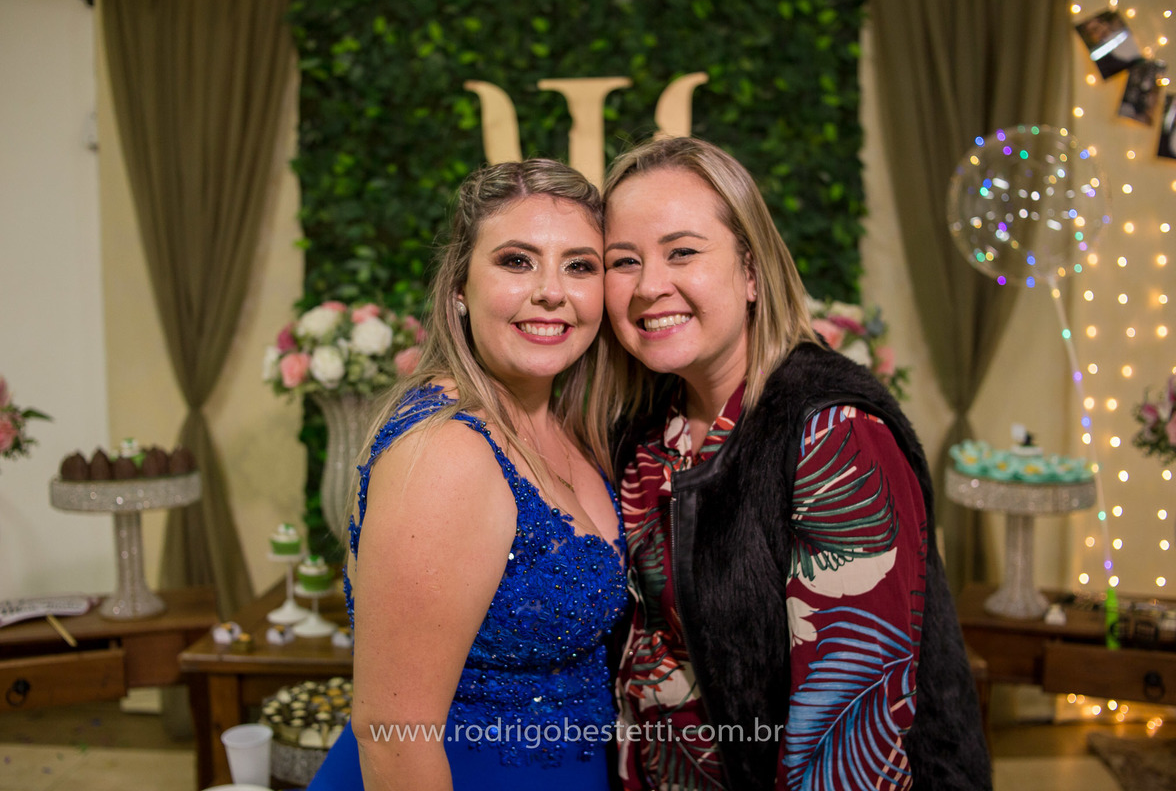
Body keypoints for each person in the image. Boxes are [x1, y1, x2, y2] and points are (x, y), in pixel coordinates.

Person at [602, 137, 991, 790]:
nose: (649, 286)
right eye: (623, 261)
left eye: (683, 252)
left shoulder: (833, 433)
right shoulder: (643, 436)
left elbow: (849, 739)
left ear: (751, 272)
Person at [309, 159, 628, 790]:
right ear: (460, 286)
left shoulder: (567, 424)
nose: (551, 291)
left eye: (579, 265)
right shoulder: (446, 451)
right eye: (516, 261)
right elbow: (391, 736)